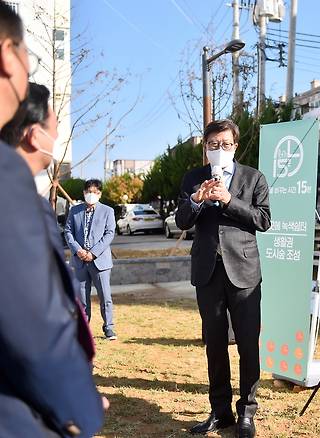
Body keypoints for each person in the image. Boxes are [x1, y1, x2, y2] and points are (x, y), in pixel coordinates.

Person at [0, 3, 105, 437]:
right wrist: (82, 407)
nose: (56, 138)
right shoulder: (8, 182)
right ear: (10, 57)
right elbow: (32, 325)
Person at [176, 119, 271, 438]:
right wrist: (196, 201)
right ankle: (220, 411)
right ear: (205, 147)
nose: (219, 150)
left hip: (244, 271)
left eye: (225, 144)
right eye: (213, 145)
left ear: (235, 146)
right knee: (214, 344)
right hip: (207, 271)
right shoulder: (193, 178)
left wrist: (230, 201)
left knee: (247, 344)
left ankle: (247, 411)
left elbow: (263, 220)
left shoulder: (253, 177)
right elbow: (181, 221)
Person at [64, 179, 117, 340]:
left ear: (100, 194)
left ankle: (109, 327)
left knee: (105, 297)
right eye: (88, 191)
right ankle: (83, 328)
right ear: (84, 193)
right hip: (79, 261)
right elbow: (68, 231)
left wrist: (93, 253)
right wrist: (77, 250)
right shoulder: (75, 211)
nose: (91, 195)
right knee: (82, 298)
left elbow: (109, 233)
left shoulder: (107, 211)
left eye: (94, 192)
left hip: (99, 261)